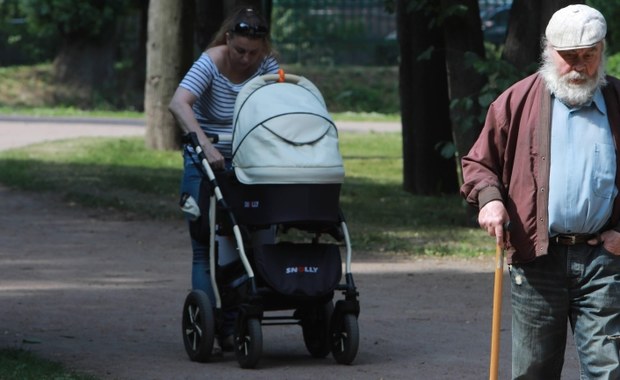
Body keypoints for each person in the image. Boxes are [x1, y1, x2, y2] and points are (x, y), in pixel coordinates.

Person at [461, 4, 620, 379]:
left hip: (606, 259)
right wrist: (491, 201)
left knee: (608, 370)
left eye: (589, 55)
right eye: (569, 57)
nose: (579, 66)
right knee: (534, 370)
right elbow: (479, 164)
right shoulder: (515, 102)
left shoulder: (616, 102)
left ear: (602, 51)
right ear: (549, 51)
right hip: (537, 257)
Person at [168, 7, 279, 355]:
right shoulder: (211, 62)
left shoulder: (267, 64)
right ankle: (211, 321)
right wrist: (202, 142)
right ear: (228, 39)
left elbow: (282, 102)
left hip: (250, 160)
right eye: (240, 51)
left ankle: (238, 319)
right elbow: (179, 103)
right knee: (205, 244)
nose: (246, 59)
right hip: (206, 158)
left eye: (253, 52)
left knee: (253, 237)